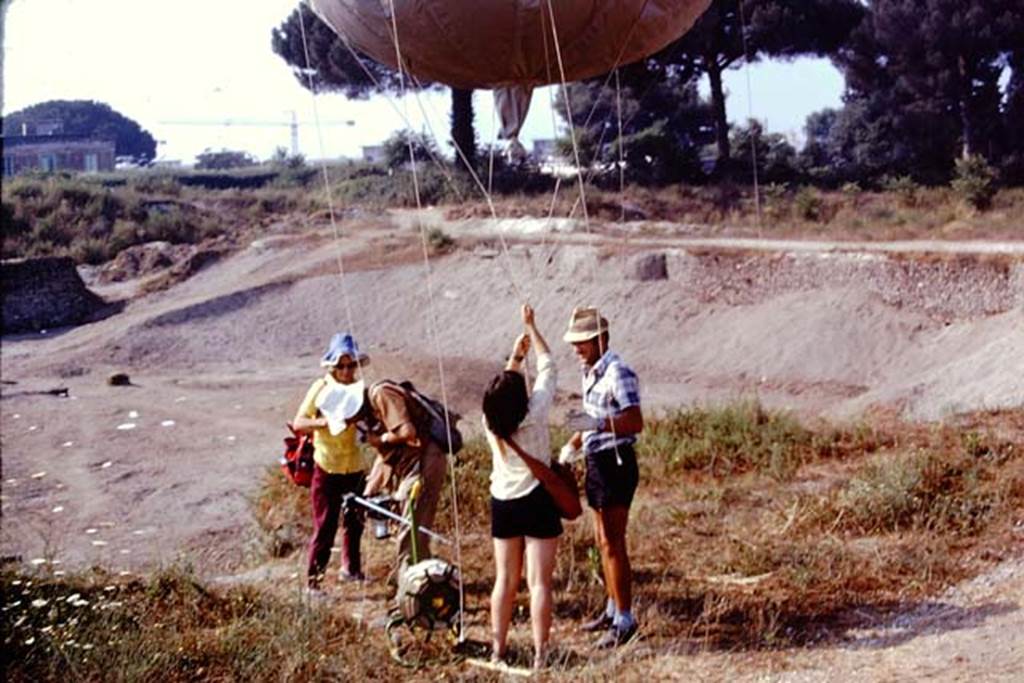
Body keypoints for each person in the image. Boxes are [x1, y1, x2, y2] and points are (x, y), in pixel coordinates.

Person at [482, 304, 561, 670]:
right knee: (539, 583)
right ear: (521, 397)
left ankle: (497, 651)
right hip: (537, 499)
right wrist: (533, 329)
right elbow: (548, 366)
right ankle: (541, 655)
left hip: (503, 500)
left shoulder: (491, 421)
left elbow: (503, 391)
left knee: (505, 579)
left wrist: (515, 355)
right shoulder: (535, 412)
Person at [561, 306, 644, 648]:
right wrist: (573, 443)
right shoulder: (591, 372)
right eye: (574, 342)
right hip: (597, 459)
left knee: (614, 542)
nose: (576, 348)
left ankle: (625, 620)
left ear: (600, 339)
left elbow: (634, 420)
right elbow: (594, 416)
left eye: (582, 341)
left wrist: (596, 425)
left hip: (616, 461)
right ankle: (611, 609)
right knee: (602, 540)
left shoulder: (617, 372)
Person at [292, 333, 370, 593]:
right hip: (326, 466)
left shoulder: (360, 390)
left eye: (351, 365)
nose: (347, 371)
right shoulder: (321, 388)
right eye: (341, 366)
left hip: (354, 465)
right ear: (332, 366)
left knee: (355, 521)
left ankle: (352, 569)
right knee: (325, 525)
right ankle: (313, 584)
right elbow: (300, 423)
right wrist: (325, 422)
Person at [359, 375, 447, 582]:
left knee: (411, 523)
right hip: (415, 463)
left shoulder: (381, 395)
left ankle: (408, 583)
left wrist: (379, 438)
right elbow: (385, 456)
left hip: (426, 461)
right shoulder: (370, 412)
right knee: (412, 524)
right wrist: (369, 490)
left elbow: (407, 431)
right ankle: (419, 576)